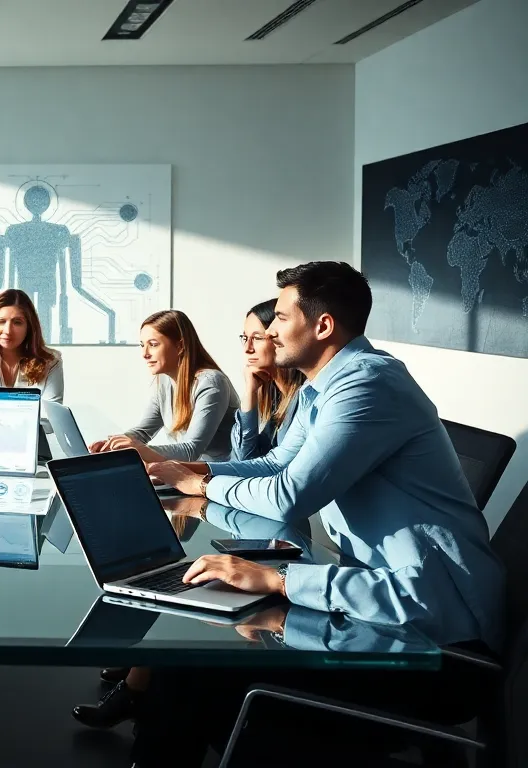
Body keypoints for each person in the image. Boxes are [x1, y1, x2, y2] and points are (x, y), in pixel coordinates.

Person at [128, 262, 505, 766]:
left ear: (323, 325)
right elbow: (275, 464)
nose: (270, 332)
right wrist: (186, 470)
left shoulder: (367, 386)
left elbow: (288, 495)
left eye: (281, 318)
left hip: (436, 646)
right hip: (383, 609)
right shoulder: (322, 388)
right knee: (193, 662)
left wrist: (273, 574)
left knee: (190, 673)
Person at [89, 309, 239, 462]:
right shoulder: (164, 382)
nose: (145, 354)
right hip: (187, 470)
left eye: (153, 344)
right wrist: (113, 445)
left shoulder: (211, 382)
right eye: (142, 345)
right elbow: (143, 432)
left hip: (218, 473)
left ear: (180, 346)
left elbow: (191, 450)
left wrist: (138, 450)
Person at [231, 299, 305, 460]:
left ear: (278, 339)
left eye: (257, 338)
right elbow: (245, 457)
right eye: (245, 338)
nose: (247, 348)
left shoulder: (304, 397)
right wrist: (250, 393)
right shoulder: (275, 396)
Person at [0, 288, 64, 401]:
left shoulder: (51, 361)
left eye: (17, 322)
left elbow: (51, 410)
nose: (8, 331)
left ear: (29, 327)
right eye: (1, 321)